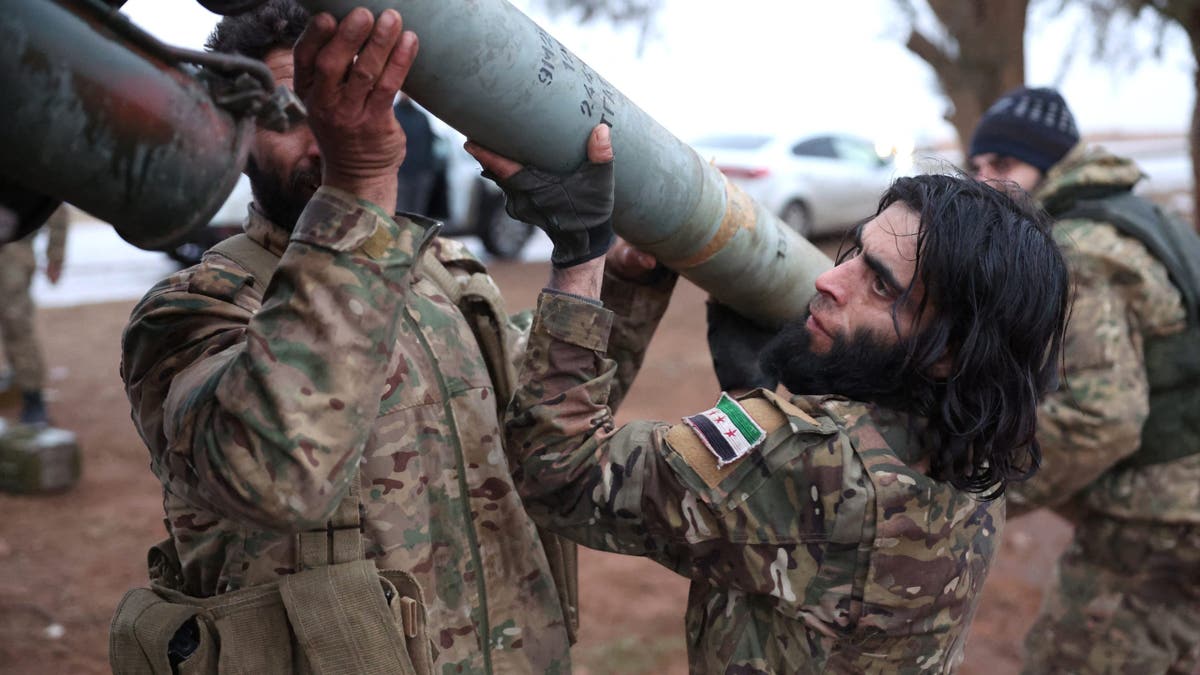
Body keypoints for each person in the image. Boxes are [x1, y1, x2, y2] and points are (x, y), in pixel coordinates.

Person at [112, 3, 671, 673]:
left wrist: (598, 265)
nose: (323, 133)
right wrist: (357, 184)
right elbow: (269, 473)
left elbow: (547, 428)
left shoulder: (446, 275)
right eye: (292, 113)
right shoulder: (189, 314)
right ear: (236, 136)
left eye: (355, 99)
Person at [469, 131, 1072, 672]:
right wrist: (746, 393)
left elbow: (559, 474)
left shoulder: (812, 459)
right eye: (855, 252)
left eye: (881, 283)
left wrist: (581, 258)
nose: (829, 281)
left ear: (946, 354)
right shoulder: (977, 453)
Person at [968, 86, 1200, 674]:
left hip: (1157, 525)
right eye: (977, 167)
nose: (985, 183)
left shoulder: (1081, 250)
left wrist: (983, 495)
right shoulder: (1143, 218)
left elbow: (1105, 417)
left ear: (1051, 166)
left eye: (1003, 165)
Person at [0, 205, 68, 426]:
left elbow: (55, 205)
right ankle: (18, 383)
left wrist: (55, 256)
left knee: (17, 326)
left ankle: (33, 399)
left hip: (11, 254)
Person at [392, 93, 437, 214]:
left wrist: (429, 171)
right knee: (400, 211)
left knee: (418, 212)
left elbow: (429, 144)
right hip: (399, 173)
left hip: (421, 174)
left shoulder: (421, 117)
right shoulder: (392, 115)